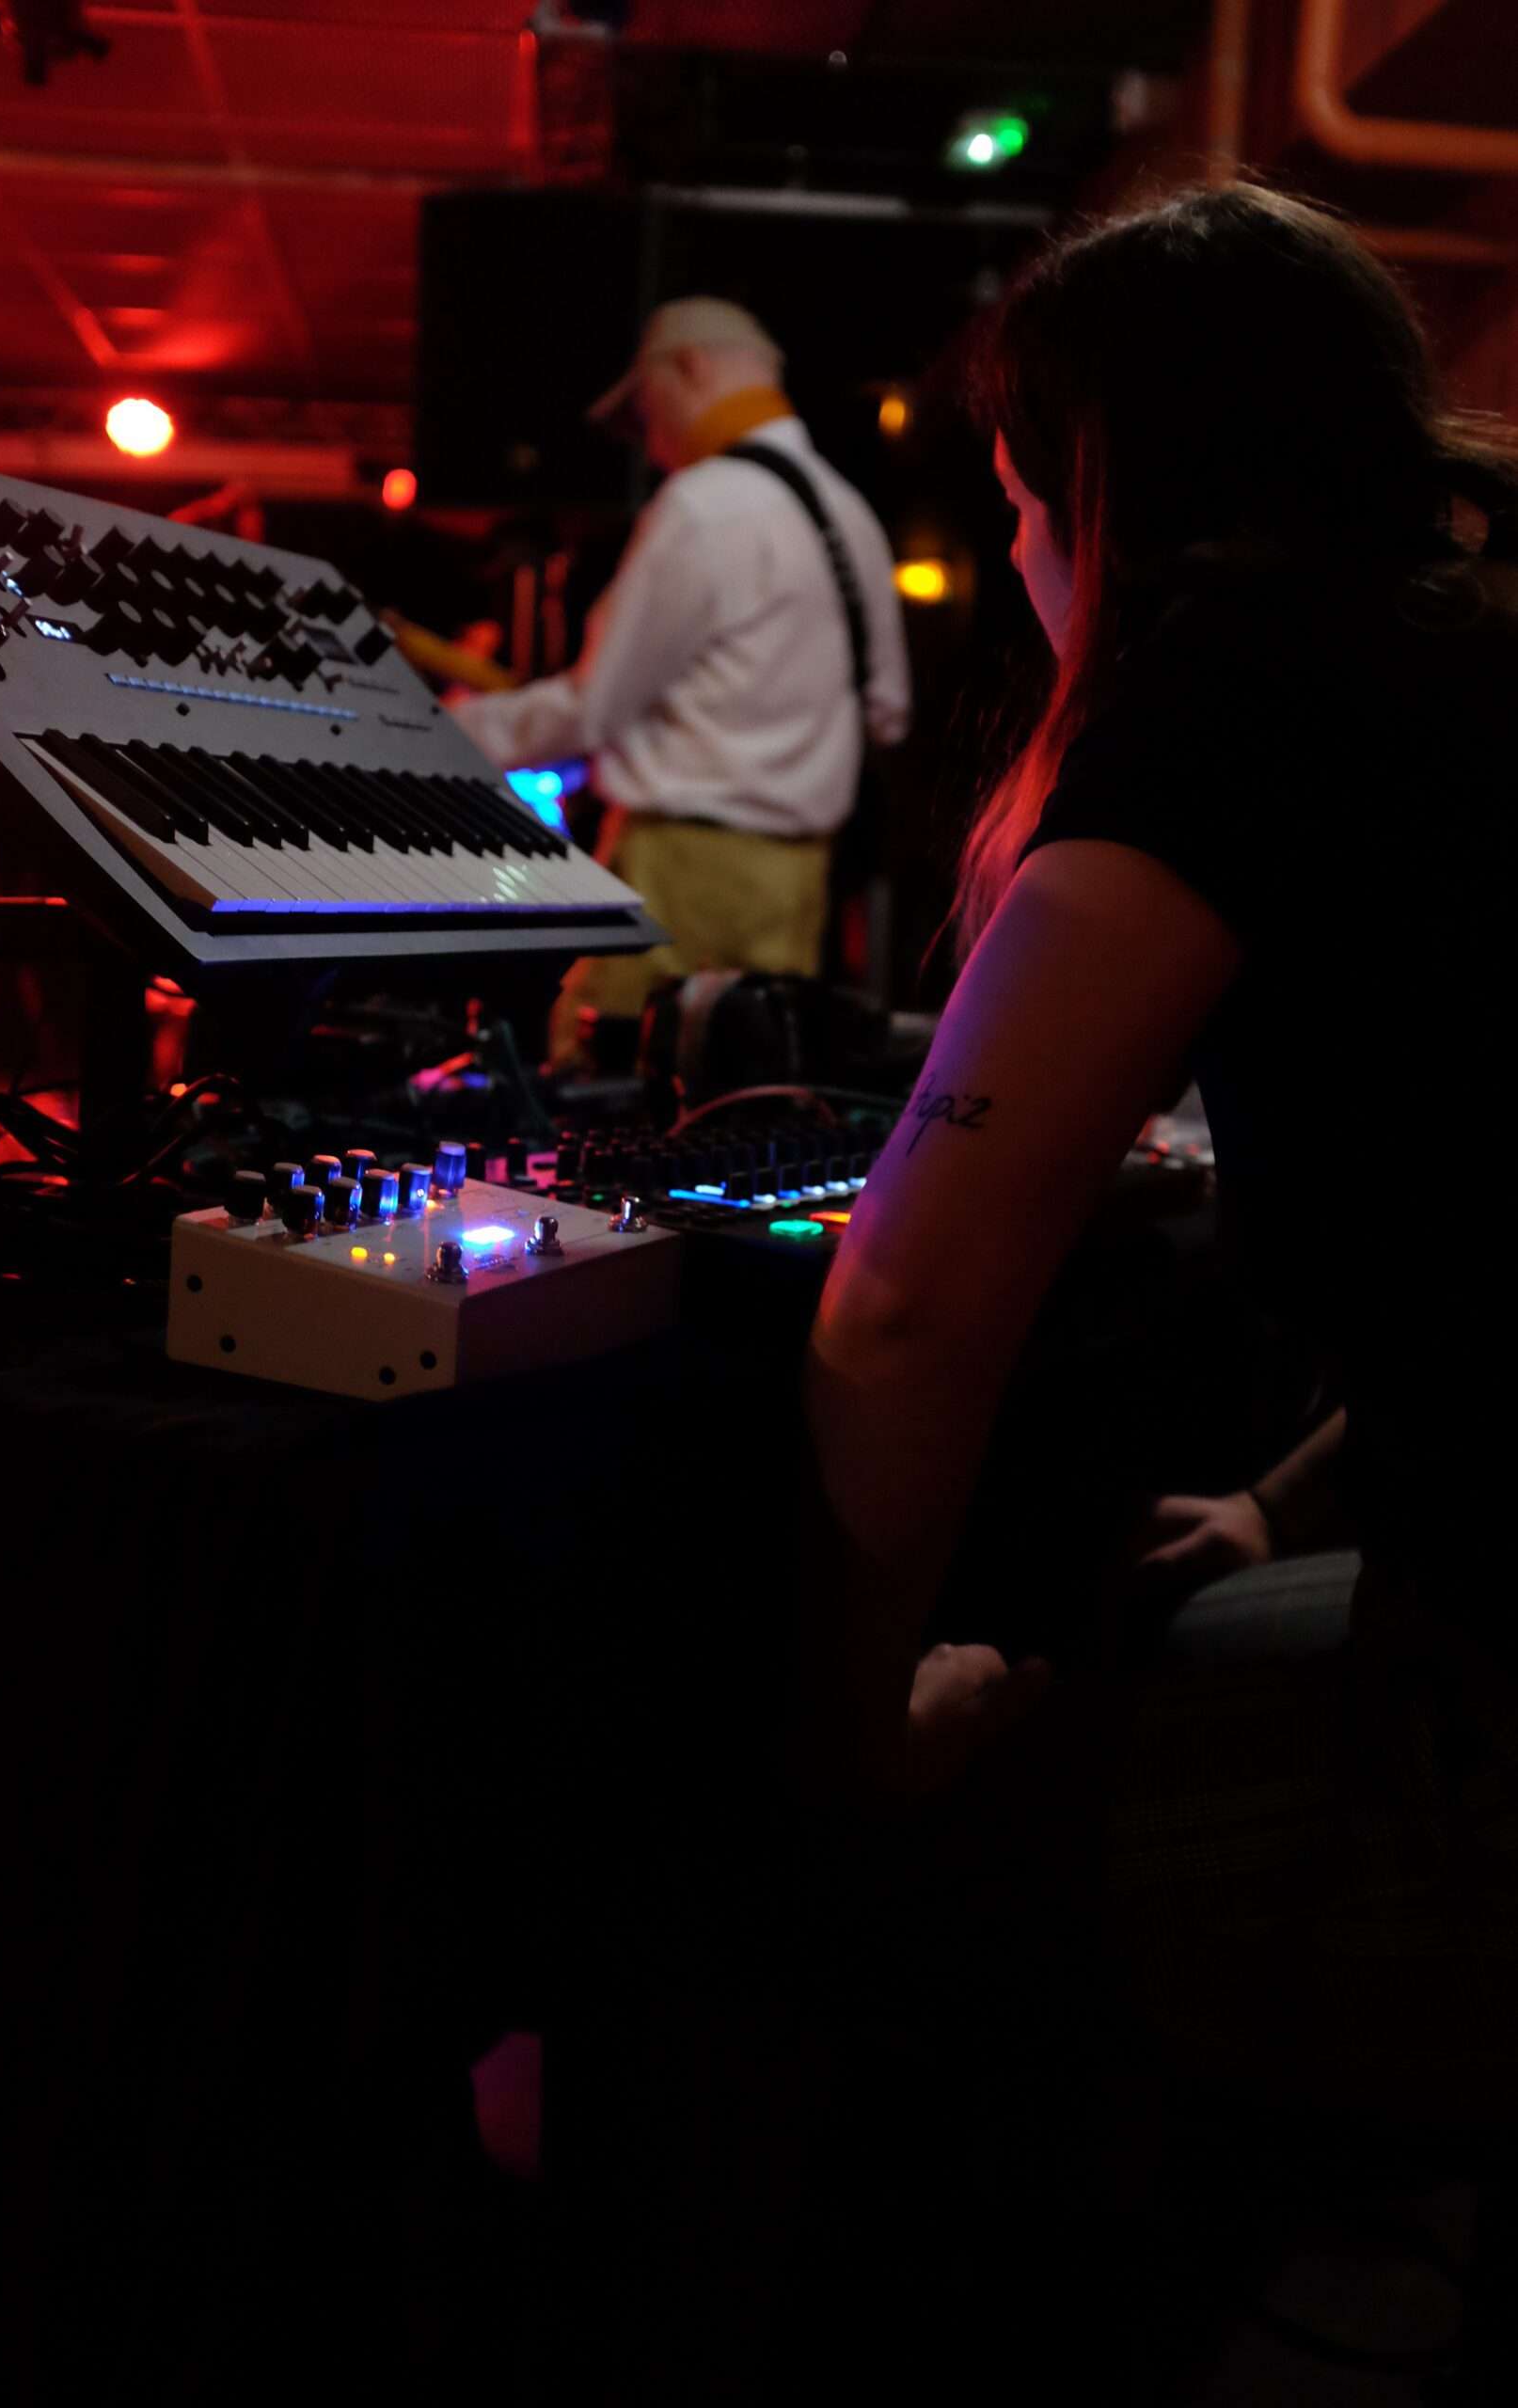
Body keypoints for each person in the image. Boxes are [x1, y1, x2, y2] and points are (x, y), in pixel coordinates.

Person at [788, 180, 1518, 2386]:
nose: (1019, 552)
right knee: (1187, 1629)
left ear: (1101, 485)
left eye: (1022, 500)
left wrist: (843, 1729)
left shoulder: (1226, 687)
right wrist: (1287, 1496)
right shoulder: (1451, 633)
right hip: (1431, 1547)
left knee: (968, 1870)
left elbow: (903, 1302)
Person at [451, 296, 910, 1068]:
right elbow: (887, 711)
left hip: (679, 868)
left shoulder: (703, 505)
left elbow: (591, 709)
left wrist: (444, 731)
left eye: (645, 413)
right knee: (746, 1097)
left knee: (606, 1087)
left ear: (689, 368)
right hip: (800, 883)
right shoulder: (851, 515)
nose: (653, 443)